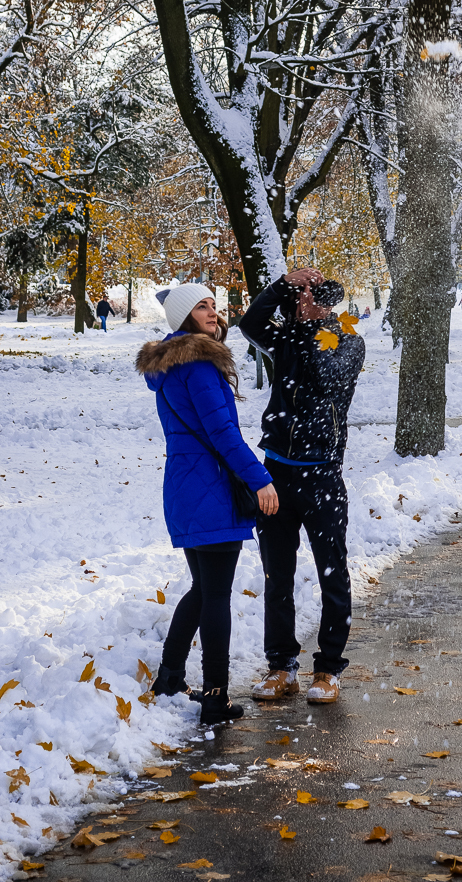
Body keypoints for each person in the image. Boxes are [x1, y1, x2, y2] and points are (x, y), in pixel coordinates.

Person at [136, 283, 278, 726]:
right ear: (184, 317)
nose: (214, 313)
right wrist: (261, 481)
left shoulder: (170, 366)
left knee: (203, 589)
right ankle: (216, 697)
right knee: (215, 594)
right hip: (211, 489)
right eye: (202, 307)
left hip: (184, 487)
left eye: (215, 306)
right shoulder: (198, 365)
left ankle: (169, 676)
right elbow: (223, 435)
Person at [240, 268, 365, 705]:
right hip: (277, 473)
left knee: (333, 572)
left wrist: (316, 324)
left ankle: (328, 669)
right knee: (278, 576)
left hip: (322, 475)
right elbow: (248, 325)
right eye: (301, 295)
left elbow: (329, 378)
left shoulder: (346, 340)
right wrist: (279, 285)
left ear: (331, 300)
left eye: (315, 294)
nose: (305, 301)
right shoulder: (285, 336)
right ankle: (281, 667)